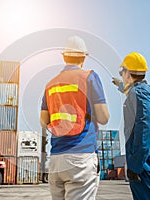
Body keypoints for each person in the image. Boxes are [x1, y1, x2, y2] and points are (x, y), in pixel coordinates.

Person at [40, 35, 109, 200]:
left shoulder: (50, 83)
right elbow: (103, 117)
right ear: (84, 57)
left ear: (64, 57)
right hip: (81, 156)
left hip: (56, 159)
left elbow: (44, 121)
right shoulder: (89, 77)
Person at [112, 52, 150, 200]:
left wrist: (135, 165)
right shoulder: (145, 90)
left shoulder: (140, 93)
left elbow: (145, 130)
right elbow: (131, 91)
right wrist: (120, 85)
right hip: (149, 159)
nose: (121, 75)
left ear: (128, 73)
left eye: (122, 72)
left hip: (145, 163)